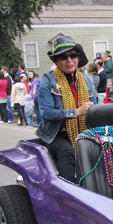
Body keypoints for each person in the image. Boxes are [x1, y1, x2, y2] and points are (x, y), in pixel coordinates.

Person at [36, 37, 93, 181]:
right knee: (67, 151)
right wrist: (77, 112)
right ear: (56, 61)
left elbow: (95, 110)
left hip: (84, 130)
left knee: (109, 148)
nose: (69, 60)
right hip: (56, 134)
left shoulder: (87, 80)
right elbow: (46, 113)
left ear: (78, 58)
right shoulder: (48, 79)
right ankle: (68, 190)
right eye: (63, 57)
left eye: (73, 55)